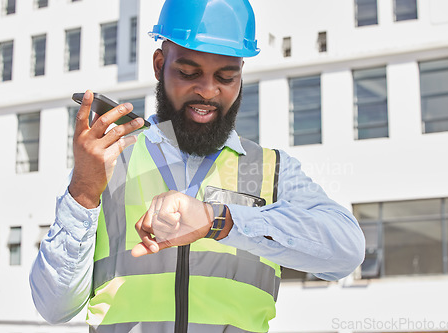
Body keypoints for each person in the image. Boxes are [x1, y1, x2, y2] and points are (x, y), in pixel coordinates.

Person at [29, 0, 365, 332]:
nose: (207, 90)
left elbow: (346, 251)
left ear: (241, 74)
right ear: (159, 64)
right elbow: (54, 307)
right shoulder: (111, 159)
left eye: (226, 76)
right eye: (188, 73)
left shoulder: (269, 169)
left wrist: (217, 220)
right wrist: (84, 193)